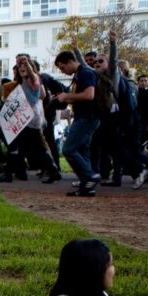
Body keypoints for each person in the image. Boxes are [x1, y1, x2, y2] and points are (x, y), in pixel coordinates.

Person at [54, 50, 102, 197]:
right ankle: (86, 187)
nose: (63, 71)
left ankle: (89, 177)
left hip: (86, 117)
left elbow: (89, 95)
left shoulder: (85, 73)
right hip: (86, 117)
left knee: (68, 149)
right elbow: (82, 97)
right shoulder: (80, 74)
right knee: (82, 151)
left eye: (62, 67)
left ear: (70, 62)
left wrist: (67, 95)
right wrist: (64, 98)